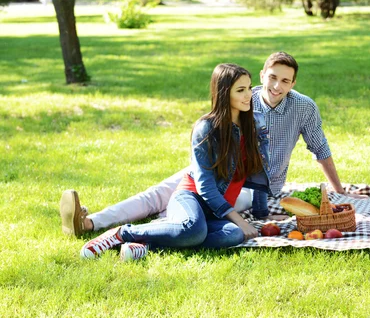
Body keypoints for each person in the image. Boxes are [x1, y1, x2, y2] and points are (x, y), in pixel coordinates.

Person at [61, 52, 351, 237]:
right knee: (157, 195)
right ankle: (90, 222)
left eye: (286, 81)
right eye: (272, 77)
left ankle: (151, 228)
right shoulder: (243, 97)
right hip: (211, 172)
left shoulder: (303, 107)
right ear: (262, 75)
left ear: (293, 83)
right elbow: (213, 129)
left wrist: (337, 190)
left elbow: (318, 148)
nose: (277, 86)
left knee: (188, 212)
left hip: (246, 188)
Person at [80, 63, 271, 261]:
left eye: (249, 87)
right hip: (191, 198)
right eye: (240, 90)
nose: (249, 94)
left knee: (233, 234)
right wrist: (239, 219)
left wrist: (262, 213)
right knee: (194, 230)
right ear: (224, 93)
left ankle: (146, 246)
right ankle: (122, 233)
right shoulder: (206, 129)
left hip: (218, 212)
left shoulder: (255, 124)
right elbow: (205, 186)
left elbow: (259, 173)